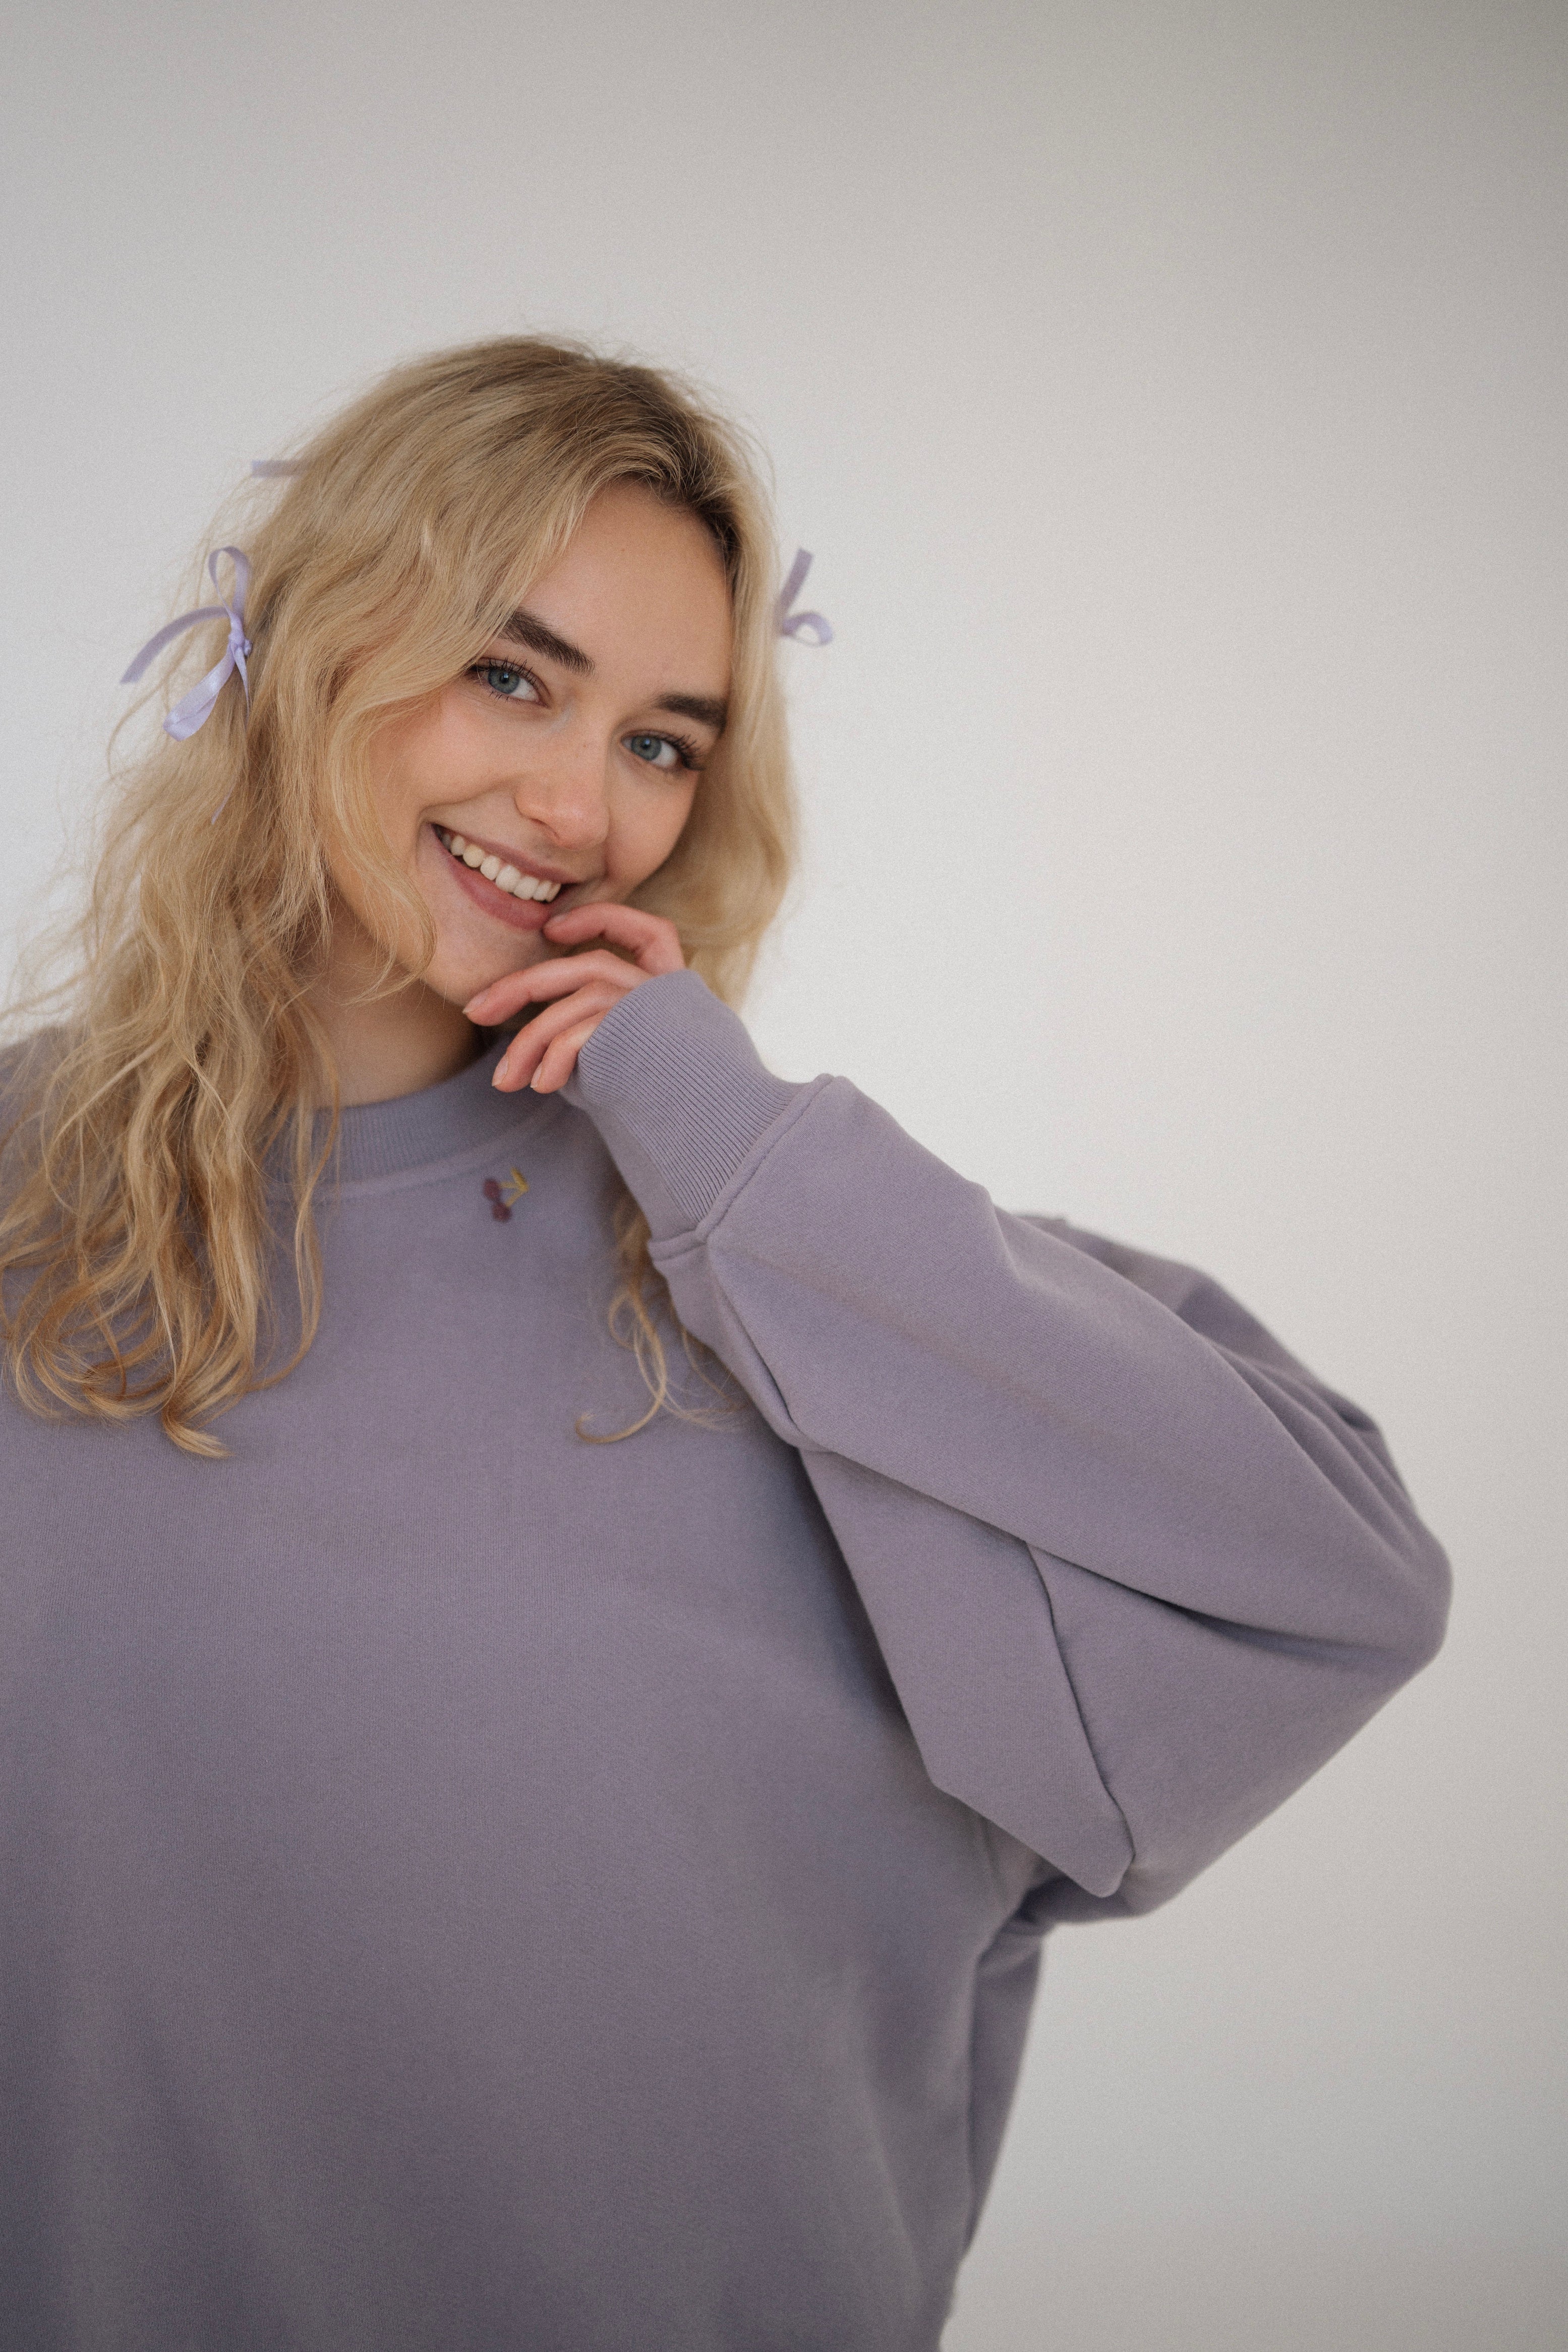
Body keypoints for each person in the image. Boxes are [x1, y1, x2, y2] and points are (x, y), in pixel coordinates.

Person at [0, 337, 1449, 2352]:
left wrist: (727, 1143)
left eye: (664, 742)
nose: (580, 807)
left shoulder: (778, 1265)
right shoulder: (26, 1205)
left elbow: (1340, 1582)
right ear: (308, 648)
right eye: (512, 676)